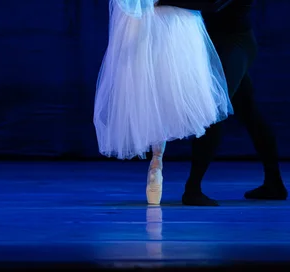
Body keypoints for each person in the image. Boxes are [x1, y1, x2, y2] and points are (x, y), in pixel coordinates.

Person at [93, 0, 233, 205]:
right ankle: (157, 161)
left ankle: (157, 161)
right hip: (171, 22)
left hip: (156, 22)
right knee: (162, 90)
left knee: (154, 90)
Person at [158, 0, 288, 206]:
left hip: (235, 44)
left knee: (213, 111)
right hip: (214, 45)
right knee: (249, 112)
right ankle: (274, 184)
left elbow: (213, 4)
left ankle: (193, 189)